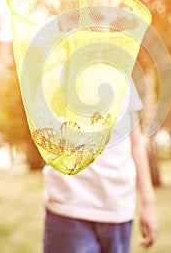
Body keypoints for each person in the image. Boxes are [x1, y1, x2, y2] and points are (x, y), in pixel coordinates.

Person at [43, 78, 158, 253]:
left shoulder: (122, 75)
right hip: (70, 207)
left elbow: (136, 143)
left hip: (118, 207)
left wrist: (148, 203)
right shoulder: (56, 71)